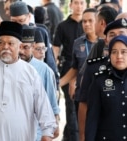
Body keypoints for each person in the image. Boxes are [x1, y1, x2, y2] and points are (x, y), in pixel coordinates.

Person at [0, 21, 56, 141]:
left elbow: (43, 107)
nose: (5, 47)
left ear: (19, 46)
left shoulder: (30, 73)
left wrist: (46, 133)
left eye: (10, 43)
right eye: (1, 42)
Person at [78, 18, 127, 141]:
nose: (119, 56)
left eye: (122, 34)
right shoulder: (96, 71)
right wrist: (83, 136)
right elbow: (84, 104)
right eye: (112, 35)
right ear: (106, 40)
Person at [52, 0, 86, 140]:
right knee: (71, 107)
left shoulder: (89, 24)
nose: (79, 6)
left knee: (82, 108)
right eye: (76, 3)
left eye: (82, 3)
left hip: (87, 70)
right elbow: (55, 49)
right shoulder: (62, 26)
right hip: (68, 69)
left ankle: (69, 136)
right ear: (71, 5)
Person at [19, 25, 60, 140]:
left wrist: (55, 123)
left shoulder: (44, 70)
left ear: (32, 47)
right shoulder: (8, 68)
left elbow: (52, 101)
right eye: (19, 47)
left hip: (37, 130)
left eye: (25, 47)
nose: (21, 51)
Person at [10, 1, 60, 92]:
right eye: (14, 21)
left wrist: (55, 85)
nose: (18, 25)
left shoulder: (39, 32)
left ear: (29, 17)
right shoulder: (8, 37)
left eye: (21, 21)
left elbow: (49, 61)